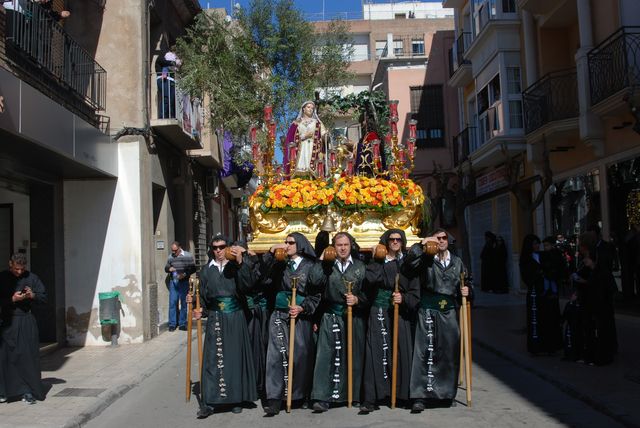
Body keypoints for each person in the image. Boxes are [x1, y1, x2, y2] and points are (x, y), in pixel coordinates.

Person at [403, 228, 471, 412]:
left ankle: (446, 394)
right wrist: (421, 244)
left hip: (448, 311)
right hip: (427, 309)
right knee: (424, 352)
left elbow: (467, 282)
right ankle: (419, 396)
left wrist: (467, 291)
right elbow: (408, 265)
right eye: (437, 238)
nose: (440, 241)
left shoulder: (457, 263)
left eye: (443, 238)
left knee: (449, 351)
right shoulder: (426, 259)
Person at [194, 235, 257, 417]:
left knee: (234, 358)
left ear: (228, 247)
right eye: (215, 248)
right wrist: (201, 311)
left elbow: (247, 287)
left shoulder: (236, 266)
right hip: (215, 318)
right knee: (213, 359)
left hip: (235, 317)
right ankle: (211, 401)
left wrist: (240, 264)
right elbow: (204, 297)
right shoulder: (206, 270)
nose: (218, 251)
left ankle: (236, 399)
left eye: (222, 247)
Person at [360, 229, 420, 413]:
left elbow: (415, 292)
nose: (395, 242)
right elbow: (370, 280)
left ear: (402, 242)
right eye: (391, 239)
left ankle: (405, 395)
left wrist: (404, 299)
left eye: (398, 239)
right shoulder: (378, 261)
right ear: (386, 241)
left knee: (402, 350)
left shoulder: (407, 264)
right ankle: (373, 397)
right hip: (378, 309)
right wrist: (378, 259)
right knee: (375, 351)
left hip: (399, 312)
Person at [260, 233, 320, 415]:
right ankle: (275, 399)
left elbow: (316, 294)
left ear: (300, 245)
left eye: (290, 242)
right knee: (276, 355)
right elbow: (263, 277)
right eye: (285, 242)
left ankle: (298, 395)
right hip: (279, 313)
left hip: (300, 316)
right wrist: (271, 254)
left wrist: (303, 308)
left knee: (300, 354)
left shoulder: (310, 266)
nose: (286, 245)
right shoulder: (279, 264)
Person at [308, 232, 368, 412]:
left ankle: (354, 395)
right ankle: (322, 397)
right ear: (333, 246)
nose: (342, 248)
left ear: (351, 246)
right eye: (338, 245)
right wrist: (321, 260)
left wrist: (358, 300)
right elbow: (313, 282)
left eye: (345, 245)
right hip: (330, 316)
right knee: (326, 356)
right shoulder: (327, 265)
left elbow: (368, 293)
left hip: (353, 316)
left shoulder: (360, 266)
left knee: (354, 355)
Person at [0, 253, 47, 404]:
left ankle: (27, 391)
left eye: (21, 269)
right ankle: (5, 391)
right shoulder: (2, 278)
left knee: (27, 357)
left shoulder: (32, 277)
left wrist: (32, 295)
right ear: (10, 264)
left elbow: (43, 297)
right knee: (6, 357)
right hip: (7, 321)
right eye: (16, 269)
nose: (19, 272)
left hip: (26, 321)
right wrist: (11, 299)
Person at [519, 234, 562, 355]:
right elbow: (527, 276)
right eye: (535, 244)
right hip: (535, 294)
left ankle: (549, 346)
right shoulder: (526, 259)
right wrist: (539, 274)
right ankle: (536, 347)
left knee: (548, 320)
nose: (537, 246)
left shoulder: (544, 255)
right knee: (536, 321)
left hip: (546, 294)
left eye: (538, 243)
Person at [283, 101, 327, 177]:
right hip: (301, 148)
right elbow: (290, 139)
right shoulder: (296, 123)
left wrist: (326, 136)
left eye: (312, 108)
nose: (310, 109)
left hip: (313, 149)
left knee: (313, 169)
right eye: (308, 107)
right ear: (303, 109)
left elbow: (323, 135)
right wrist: (304, 136)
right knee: (299, 168)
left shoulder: (317, 123)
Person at [164, 241, 196, 331]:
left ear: (179, 248)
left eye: (175, 250)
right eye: (172, 250)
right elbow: (166, 268)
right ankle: (172, 324)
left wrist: (185, 274)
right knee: (172, 303)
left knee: (184, 303)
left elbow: (193, 268)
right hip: (173, 282)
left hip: (184, 282)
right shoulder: (170, 257)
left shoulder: (188, 256)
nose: (173, 252)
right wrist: (169, 269)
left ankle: (182, 324)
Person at [156, 50, 181, 119]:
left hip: (171, 81)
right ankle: (163, 116)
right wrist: (174, 62)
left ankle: (172, 115)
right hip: (163, 79)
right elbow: (164, 62)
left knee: (172, 99)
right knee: (166, 98)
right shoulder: (161, 58)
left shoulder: (172, 60)